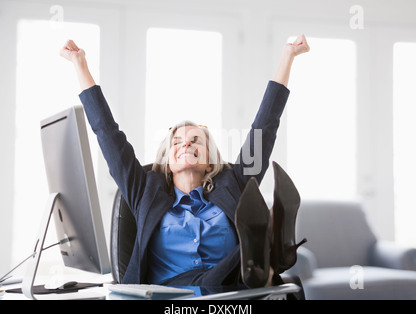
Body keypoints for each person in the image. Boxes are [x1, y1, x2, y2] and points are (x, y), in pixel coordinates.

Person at [60, 34, 310, 287]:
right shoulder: (144, 189)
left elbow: (264, 129)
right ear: (168, 163)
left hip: (226, 293)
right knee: (249, 251)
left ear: (210, 163)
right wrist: (80, 64)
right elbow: (107, 133)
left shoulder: (233, 184)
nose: (186, 144)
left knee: (245, 267)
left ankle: (265, 248)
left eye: (196, 140)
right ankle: (266, 243)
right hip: (170, 296)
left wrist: (287, 56)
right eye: (177, 142)